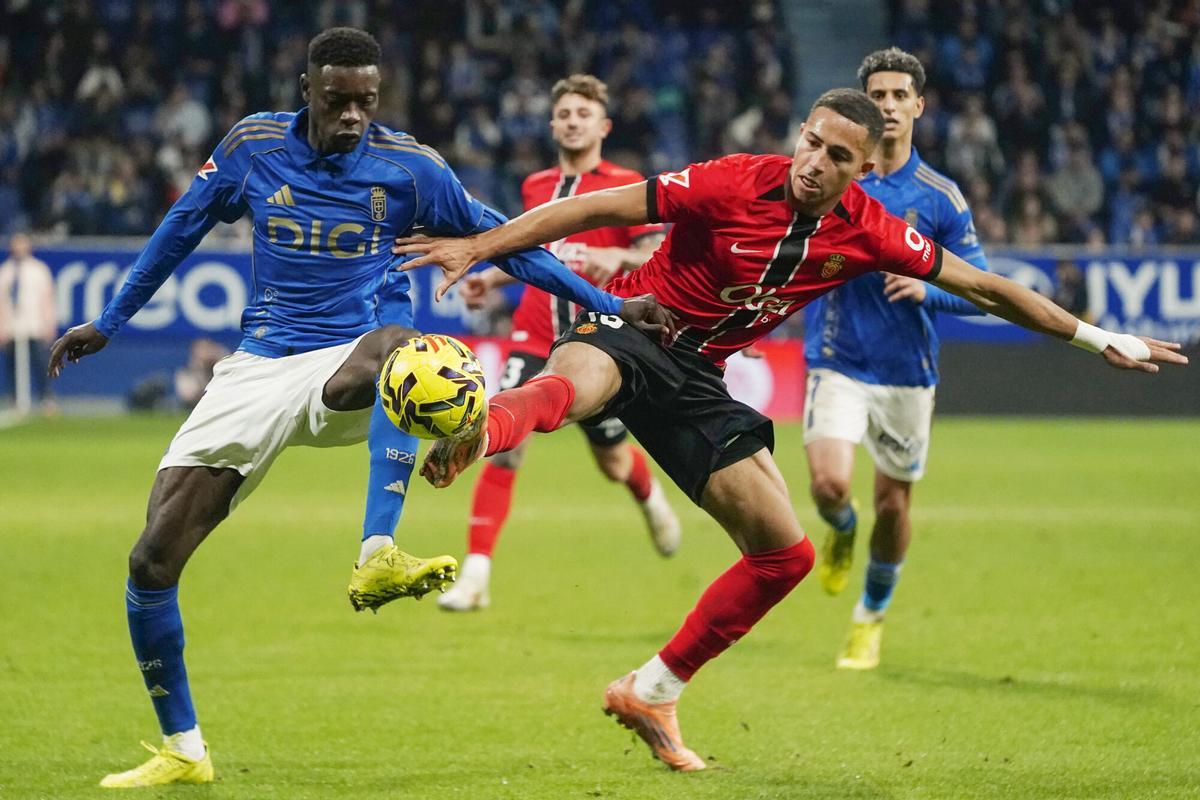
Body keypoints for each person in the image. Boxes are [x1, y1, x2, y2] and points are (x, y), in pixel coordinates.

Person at [393, 88, 1186, 771]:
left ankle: (652, 690)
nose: (814, 162)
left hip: (699, 384)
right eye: (810, 142)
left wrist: (1097, 338)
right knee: (574, 383)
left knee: (786, 556)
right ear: (799, 135)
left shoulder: (872, 230)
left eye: (837, 156)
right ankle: (481, 430)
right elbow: (595, 207)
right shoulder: (733, 180)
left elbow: (983, 286)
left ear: (862, 169)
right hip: (637, 326)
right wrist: (481, 245)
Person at [46, 28, 669, 788]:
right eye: (337, 100)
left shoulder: (410, 168)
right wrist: (110, 321)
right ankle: (184, 747)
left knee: (407, 349)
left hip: (354, 362)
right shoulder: (252, 147)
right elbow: (180, 229)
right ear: (306, 90)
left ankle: (378, 550)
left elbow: (510, 242)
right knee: (151, 561)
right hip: (258, 368)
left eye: (365, 102)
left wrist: (612, 305)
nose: (351, 116)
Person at [439, 74, 680, 612]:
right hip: (533, 335)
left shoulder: (627, 183)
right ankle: (476, 575)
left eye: (583, 114)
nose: (573, 122)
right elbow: (537, 257)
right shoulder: (535, 186)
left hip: (597, 344)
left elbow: (658, 256)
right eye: (565, 113)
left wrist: (619, 257)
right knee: (503, 444)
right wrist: (490, 278)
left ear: (604, 126)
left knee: (613, 462)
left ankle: (647, 494)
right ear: (552, 124)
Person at [803, 47, 989, 670]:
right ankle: (841, 527)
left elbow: (981, 287)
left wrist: (927, 288)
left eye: (898, 95)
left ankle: (870, 615)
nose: (887, 105)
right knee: (829, 484)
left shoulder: (940, 197)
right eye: (877, 95)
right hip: (836, 356)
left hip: (907, 371)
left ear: (918, 106)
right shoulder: (834, 172)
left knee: (893, 504)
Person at [0, 233, 57, 414]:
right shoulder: (5, 271)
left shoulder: (39, 270)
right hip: (11, 326)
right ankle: (15, 399)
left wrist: (49, 324)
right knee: (12, 366)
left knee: (40, 363)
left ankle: (46, 398)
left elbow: (47, 299)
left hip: (34, 324)